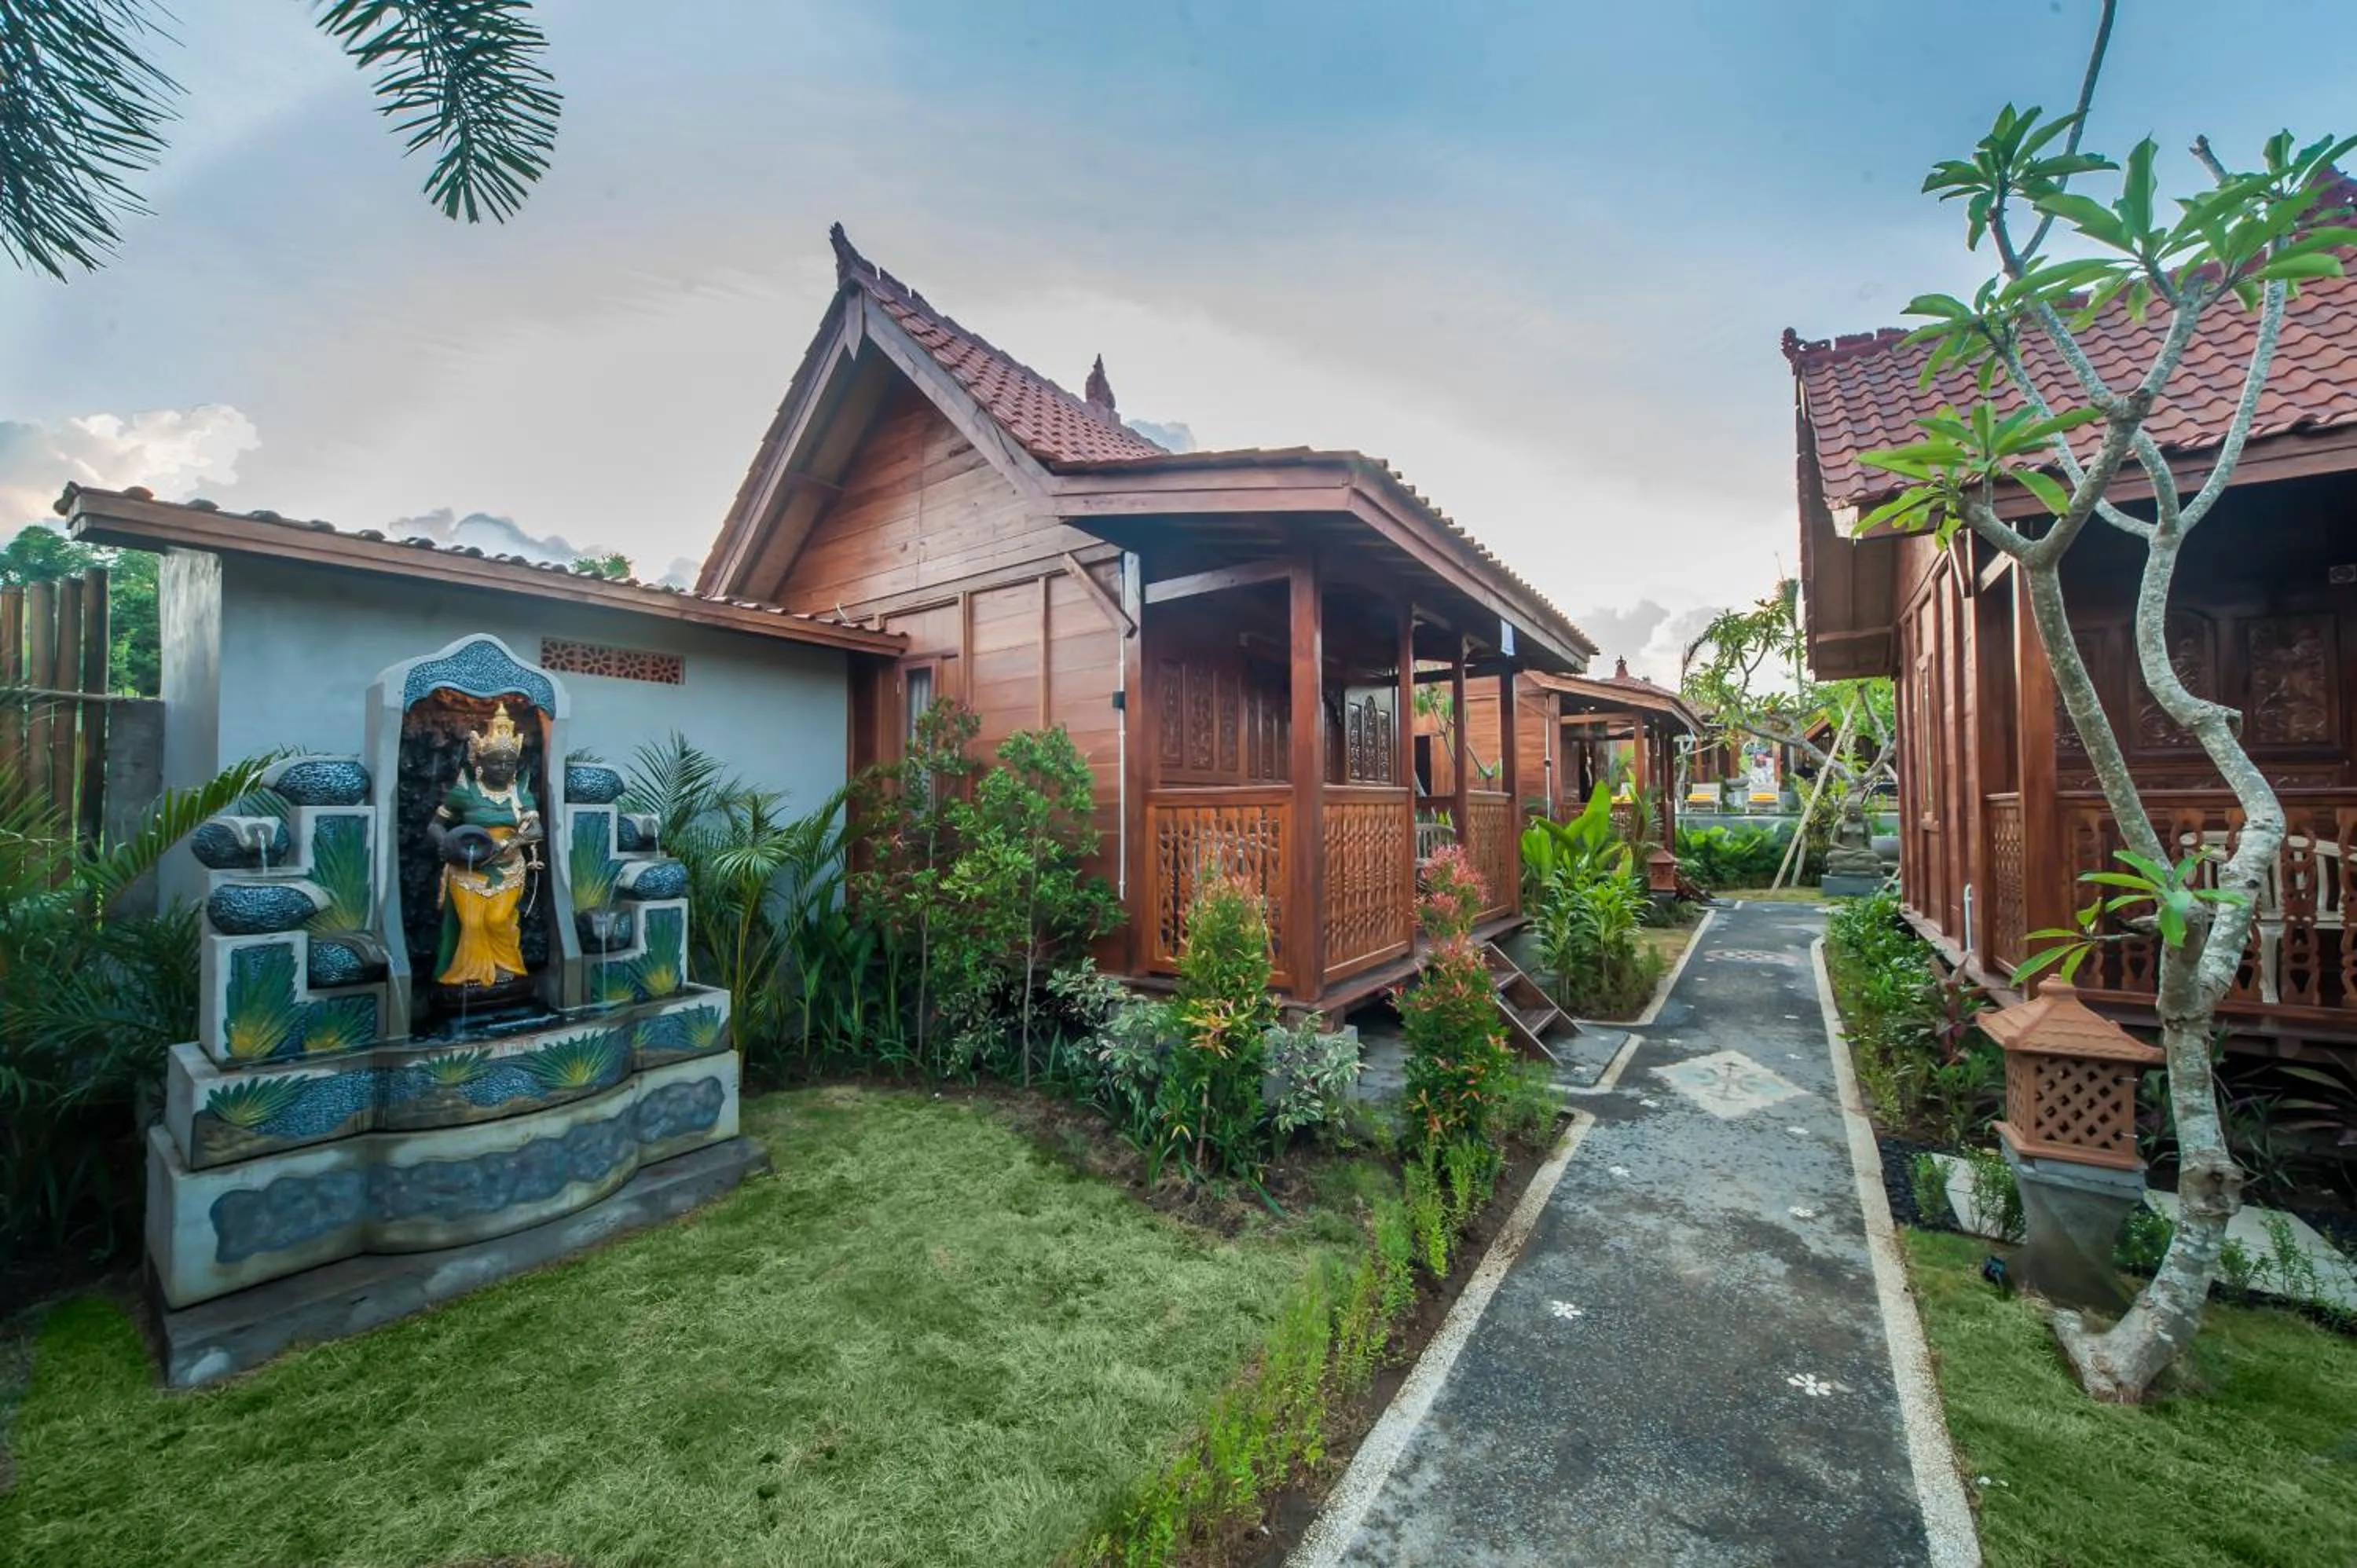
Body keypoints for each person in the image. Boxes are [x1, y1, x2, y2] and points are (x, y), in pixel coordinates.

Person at [427, 702, 544, 989]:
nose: (503, 768)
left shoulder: (519, 792)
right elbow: (435, 825)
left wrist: (511, 842)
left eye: (509, 763)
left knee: (498, 920)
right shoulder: (465, 791)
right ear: (480, 762)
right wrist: (446, 844)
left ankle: (506, 968)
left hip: (507, 866)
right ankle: (472, 973)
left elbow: (537, 829)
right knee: (473, 924)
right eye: (495, 762)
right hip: (467, 867)